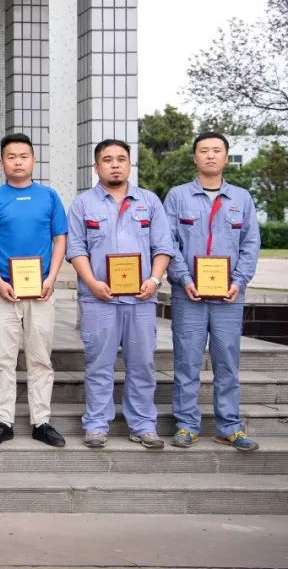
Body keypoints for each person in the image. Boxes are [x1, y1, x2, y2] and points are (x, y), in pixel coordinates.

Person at [66, 139, 174, 450]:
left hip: (141, 299)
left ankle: (143, 425)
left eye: (121, 159)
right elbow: (76, 249)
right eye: (108, 159)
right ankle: (96, 425)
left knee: (142, 365)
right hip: (99, 299)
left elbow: (163, 247)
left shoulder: (149, 202)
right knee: (98, 365)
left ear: (129, 164)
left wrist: (154, 280)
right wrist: (92, 282)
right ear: (96, 166)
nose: (115, 165)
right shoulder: (83, 204)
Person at [164, 132, 261, 451]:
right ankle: (186, 424)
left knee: (227, 362)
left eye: (216, 150)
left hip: (228, 297)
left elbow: (250, 244)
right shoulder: (178, 196)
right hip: (188, 295)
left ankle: (229, 426)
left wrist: (239, 282)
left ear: (225, 157)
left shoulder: (241, 199)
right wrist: (183, 278)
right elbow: (168, 243)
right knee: (187, 361)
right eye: (203, 150)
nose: (210, 155)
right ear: (195, 157)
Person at [0, 133, 67, 447]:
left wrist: (51, 278)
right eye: (11, 156)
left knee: (40, 358)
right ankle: (4, 421)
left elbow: (60, 239)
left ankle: (41, 422)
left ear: (33, 160)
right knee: (3, 359)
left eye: (23, 156)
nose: (18, 162)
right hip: (2, 291)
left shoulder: (49, 197)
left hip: (41, 291)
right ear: (2, 161)